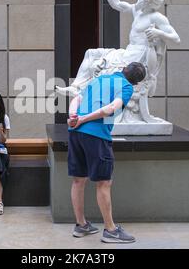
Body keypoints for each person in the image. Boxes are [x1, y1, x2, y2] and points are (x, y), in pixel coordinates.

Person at [67, 62, 146, 243]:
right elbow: (109, 109)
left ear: (123, 69)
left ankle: (81, 225)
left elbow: (76, 99)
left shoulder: (101, 79)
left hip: (75, 134)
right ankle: (111, 230)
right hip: (96, 135)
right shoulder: (126, 87)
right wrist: (83, 120)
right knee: (104, 182)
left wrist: (74, 117)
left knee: (79, 179)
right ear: (136, 83)